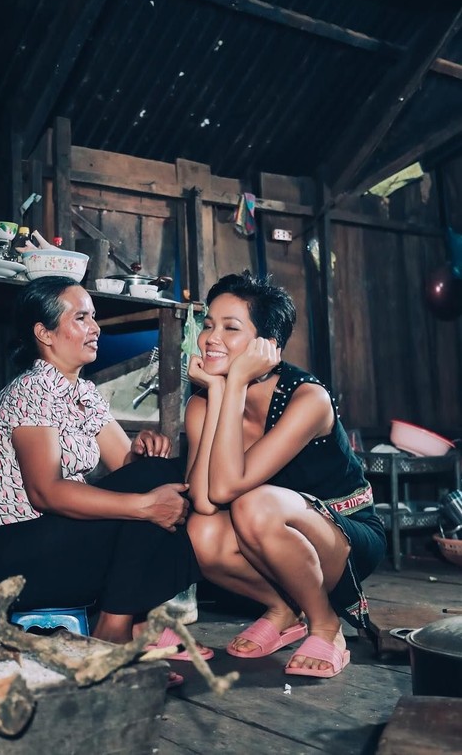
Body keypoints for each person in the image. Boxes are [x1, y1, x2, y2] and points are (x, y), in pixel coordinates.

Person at [0, 275, 207, 681]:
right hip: (11, 553)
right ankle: (115, 631)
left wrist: (144, 446)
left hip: (54, 539)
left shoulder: (82, 393)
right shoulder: (31, 391)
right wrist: (144, 505)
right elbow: (46, 494)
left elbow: (128, 467)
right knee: (150, 495)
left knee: (168, 476)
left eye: (93, 317)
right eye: (81, 318)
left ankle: (119, 627)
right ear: (44, 333)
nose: (95, 328)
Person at [185, 271, 386, 679]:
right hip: (270, 535)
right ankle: (282, 608)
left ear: (267, 346)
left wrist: (235, 382)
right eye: (208, 324)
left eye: (230, 328)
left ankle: (327, 626)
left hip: (344, 536)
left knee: (253, 503)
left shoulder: (307, 398)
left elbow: (227, 488)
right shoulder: (205, 401)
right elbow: (206, 500)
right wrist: (224, 393)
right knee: (201, 533)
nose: (210, 338)